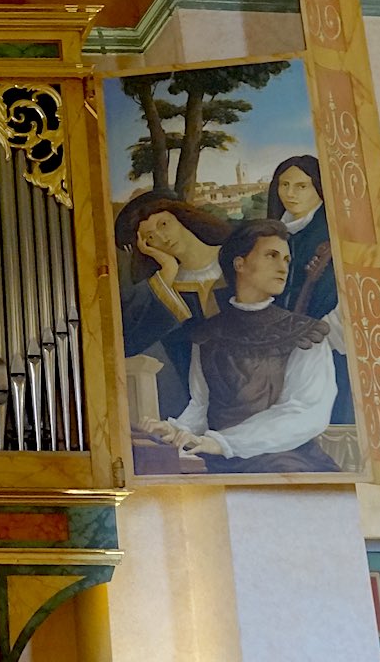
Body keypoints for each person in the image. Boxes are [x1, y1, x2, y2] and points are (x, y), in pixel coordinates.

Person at [141, 219, 338, 474]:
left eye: (287, 260)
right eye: (271, 255)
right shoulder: (208, 334)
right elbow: (201, 405)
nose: (283, 267)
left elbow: (305, 411)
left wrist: (223, 442)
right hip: (216, 456)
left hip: (283, 459)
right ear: (240, 263)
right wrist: (178, 429)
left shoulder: (306, 334)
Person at [114, 190, 233, 417]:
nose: (162, 237)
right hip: (202, 412)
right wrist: (168, 271)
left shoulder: (237, 257)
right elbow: (127, 343)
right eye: (149, 237)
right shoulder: (165, 291)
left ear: (182, 217)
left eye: (164, 224)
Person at [266, 154, 353, 423]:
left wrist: (322, 334)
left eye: (301, 186)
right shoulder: (276, 232)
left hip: (327, 343)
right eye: (284, 185)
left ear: (319, 187)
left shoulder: (334, 231)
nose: (290, 194)